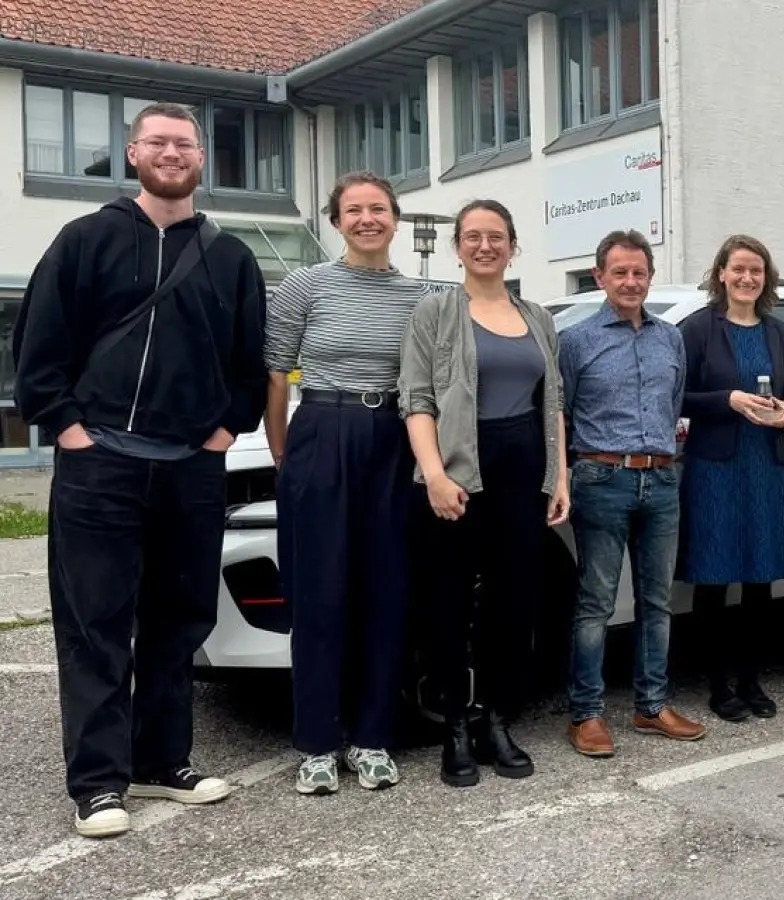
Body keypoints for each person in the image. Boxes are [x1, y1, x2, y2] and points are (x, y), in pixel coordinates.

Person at [13, 102, 266, 838]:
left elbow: (249, 359)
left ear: (200, 158)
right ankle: (98, 782)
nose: (171, 152)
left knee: (178, 620)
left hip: (190, 467)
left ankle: (162, 761)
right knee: (95, 624)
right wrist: (66, 428)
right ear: (132, 154)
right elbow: (39, 341)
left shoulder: (230, 257)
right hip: (100, 464)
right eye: (157, 141)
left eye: (184, 143)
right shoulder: (84, 240)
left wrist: (225, 432)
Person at [267, 172, 434, 795]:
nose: (368, 219)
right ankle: (316, 744)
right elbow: (276, 373)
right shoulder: (305, 285)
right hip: (322, 431)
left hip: (392, 437)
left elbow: (429, 381)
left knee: (386, 592)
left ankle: (372, 738)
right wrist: (284, 452)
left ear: (395, 219)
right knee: (319, 592)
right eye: (354, 210)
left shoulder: (422, 297)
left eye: (379, 209)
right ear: (336, 221)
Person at [398, 200, 570, 786]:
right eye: (473, 236)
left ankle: (497, 721)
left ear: (513, 246)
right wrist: (434, 475)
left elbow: (553, 401)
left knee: (513, 603)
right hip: (457, 474)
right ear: (458, 247)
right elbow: (416, 399)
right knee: (447, 605)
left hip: (522, 472)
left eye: (496, 237)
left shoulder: (536, 317)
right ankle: (455, 728)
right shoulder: (435, 312)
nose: (485, 246)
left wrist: (559, 477)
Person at [562, 230, 705, 757]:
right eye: (619, 272)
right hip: (602, 479)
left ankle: (652, 705)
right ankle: (586, 713)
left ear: (650, 276)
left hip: (662, 479)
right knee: (596, 602)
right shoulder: (576, 341)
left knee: (657, 601)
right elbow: (562, 414)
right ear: (599, 277)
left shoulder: (670, 338)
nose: (630, 281)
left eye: (638, 272)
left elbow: (673, 405)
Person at [678, 234, 784, 722]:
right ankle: (717, 685)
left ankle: (752, 680)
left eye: (756, 270)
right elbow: (678, 395)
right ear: (721, 274)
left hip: (766, 462)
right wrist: (726, 400)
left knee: (759, 578)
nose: (747, 278)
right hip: (715, 466)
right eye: (739, 269)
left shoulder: (779, 332)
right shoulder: (697, 329)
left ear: (765, 278)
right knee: (714, 577)